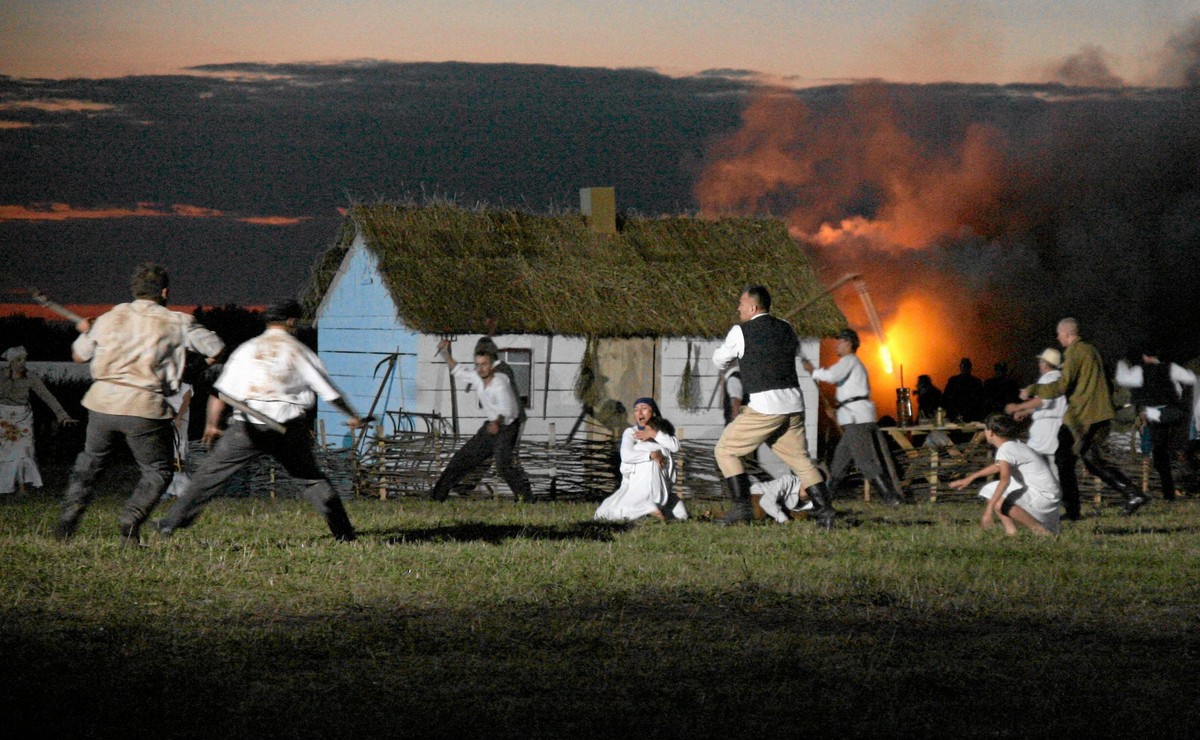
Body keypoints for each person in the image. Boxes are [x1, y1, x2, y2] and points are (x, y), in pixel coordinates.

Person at [153, 300, 365, 541]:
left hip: (245, 427)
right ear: (292, 322)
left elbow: (220, 392)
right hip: (287, 427)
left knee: (209, 475)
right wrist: (352, 415)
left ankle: (170, 523)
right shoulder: (297, 351)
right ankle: (344, 534)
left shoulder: (247, 350)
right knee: (312, 480)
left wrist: (212, 424)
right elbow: (330, 393)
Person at [56, 263, 225, 543]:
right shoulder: (177, 321)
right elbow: (216, 348)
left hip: (102, 403)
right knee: (158, 470)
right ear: (164, 292)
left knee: (91, 462)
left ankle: (69, 514)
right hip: (143, 404)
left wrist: (87, 331)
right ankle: (130, 520)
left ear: (134, 290)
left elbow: (78, 355)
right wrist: (191, 365)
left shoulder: (111, 317)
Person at [712, 284, 834, 528]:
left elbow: (719, 360)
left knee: (725, 451)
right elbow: (791, 352)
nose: (738, 308)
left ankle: (742, 508)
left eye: (741, 304)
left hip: (766, 406)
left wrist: (736, 352)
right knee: (800, 461)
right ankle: (825, 513)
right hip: (794, 404)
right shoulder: (786, 328)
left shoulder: (741, 331)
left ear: (753, 307)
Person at [1020, 317, 1139, 518]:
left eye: (1059, 334)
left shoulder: (1074, 353)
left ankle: (1073, 510)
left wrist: (1033, 389)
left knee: (1063, 459)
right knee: (1091, 460)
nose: (1058, 337)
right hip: (1098, 414)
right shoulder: (1091, 350)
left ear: (1067, 333)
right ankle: (1133, 494)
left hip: (1081, 416)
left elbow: (1062, 385)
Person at [802, 328, 901, 505]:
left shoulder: (849, 360)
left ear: (848, 343)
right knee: (839, 461)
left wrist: (813, 371)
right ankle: (827, 498)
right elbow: (848, 395)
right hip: (853, 417)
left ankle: (891, 498)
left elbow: (832, 375)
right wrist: (837, 413)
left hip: (858, 419)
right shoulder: (852, 364)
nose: (836, 346)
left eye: (839, 342)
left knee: (864, 462)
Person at [430, 336, 532, 502]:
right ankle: (437, 497)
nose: (480, 369)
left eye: (484, 365)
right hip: (490, 427)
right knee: (461, 459)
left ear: (492, 365)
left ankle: (526, 499)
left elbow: (507, 409)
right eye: (477, 365)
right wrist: (445, 354)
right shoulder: (478, 376)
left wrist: (497, 422)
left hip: (507, 427)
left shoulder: (501, 380)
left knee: (503, 466)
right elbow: (459, 371)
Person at [949, 413, 1060, 536]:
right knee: (989, 489)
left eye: (985, 429)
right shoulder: (1013, 445)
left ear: (990, 432)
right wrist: (971, 477)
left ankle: (1040, 530)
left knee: (999, 502)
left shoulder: (1006, 449)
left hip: (1043, 495)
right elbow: (999, 467)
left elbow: (1004, 481)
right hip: (1044, 491)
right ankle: (1011, 531)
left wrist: (988, 511)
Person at [1115, 346, 1195, 502]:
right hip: (1173, 413)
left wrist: (1121, 363)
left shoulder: (1140, 370)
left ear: (1145, 356)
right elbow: (1190, 378)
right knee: (1166, 451)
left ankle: (1168, 494)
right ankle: (1170, 491)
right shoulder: (1170, 367)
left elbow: (1123, 378)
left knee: (1160, 454)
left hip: (1155, 415)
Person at [594, 397, 687, 522]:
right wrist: (651, 455)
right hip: (638, 482)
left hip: (662, 481)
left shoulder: (661, 432)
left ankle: (654, 509)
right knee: (615, 512)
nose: (639, 412)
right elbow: (626, 455)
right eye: (636, 410)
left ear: (653, 412)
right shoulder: (631, 432)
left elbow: (675, 446)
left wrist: (653, 434)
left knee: (682, 515)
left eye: (644, 409)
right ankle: (647, 507)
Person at [1, 346, 77, 494]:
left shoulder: (30, 376)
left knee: (24, 450)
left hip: (23, 417)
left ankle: (22, 487)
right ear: (10, 362)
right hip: (3, 417)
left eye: (24, 359)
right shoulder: (1, 376)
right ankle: (7, 485)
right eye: (18, 360)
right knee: (5, 452)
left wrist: (63, 415)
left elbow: (47, 396)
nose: (22, 363)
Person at [1004, 348, 1067, 476]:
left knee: (1029, 460)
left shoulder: (1047, 379)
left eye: (1041, 362)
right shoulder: (1061, 379)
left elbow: (1043, 401)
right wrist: (1025, 412)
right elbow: (1048, 405)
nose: (1039, 364)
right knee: (1052, 466)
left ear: (1045, 364)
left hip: (1045, 430)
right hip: (1057, 427)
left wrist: (1018, 407)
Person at [162, 381, 193, 499]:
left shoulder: (185, 386)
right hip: (166, 420)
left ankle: (181, 490)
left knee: (179, 454)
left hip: (179, 422)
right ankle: (169, 489)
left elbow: (186, 400)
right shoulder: (165, 384)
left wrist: (179, 417)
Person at [942, 357, 986, 422]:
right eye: (964, 366)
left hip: (969, 413)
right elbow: (947, 397)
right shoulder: (975, 381)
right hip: (960, 412)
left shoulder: (954, 380)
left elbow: (980, 399)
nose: (965, 369)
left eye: (966, 366)